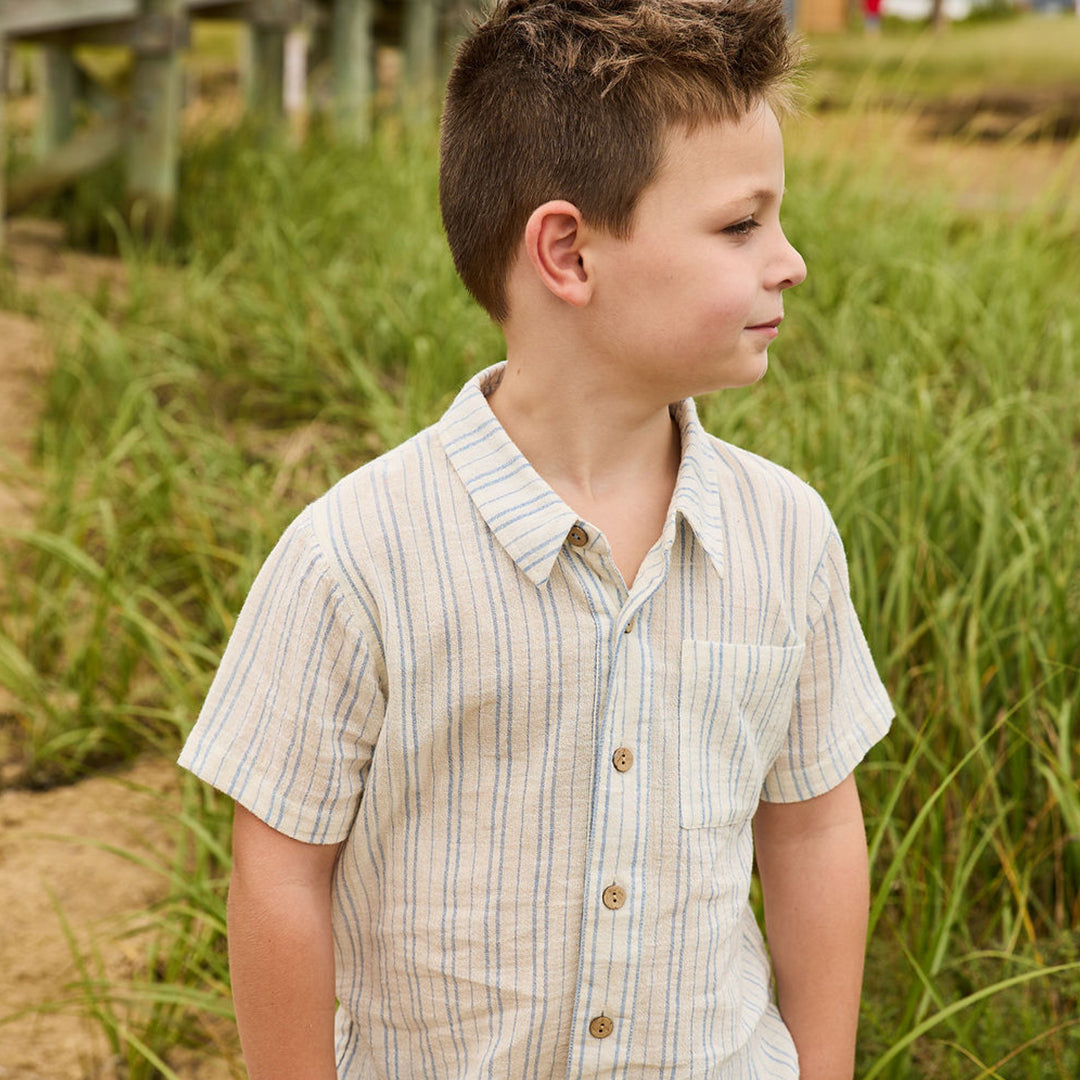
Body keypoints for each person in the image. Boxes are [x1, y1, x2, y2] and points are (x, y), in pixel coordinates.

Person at [178, 1, 894, 1078]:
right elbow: (280, 873)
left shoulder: (785, 535)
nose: (788, 262)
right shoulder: (355, 557)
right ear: (566, 250)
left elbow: (809, 830)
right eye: (742, 225)